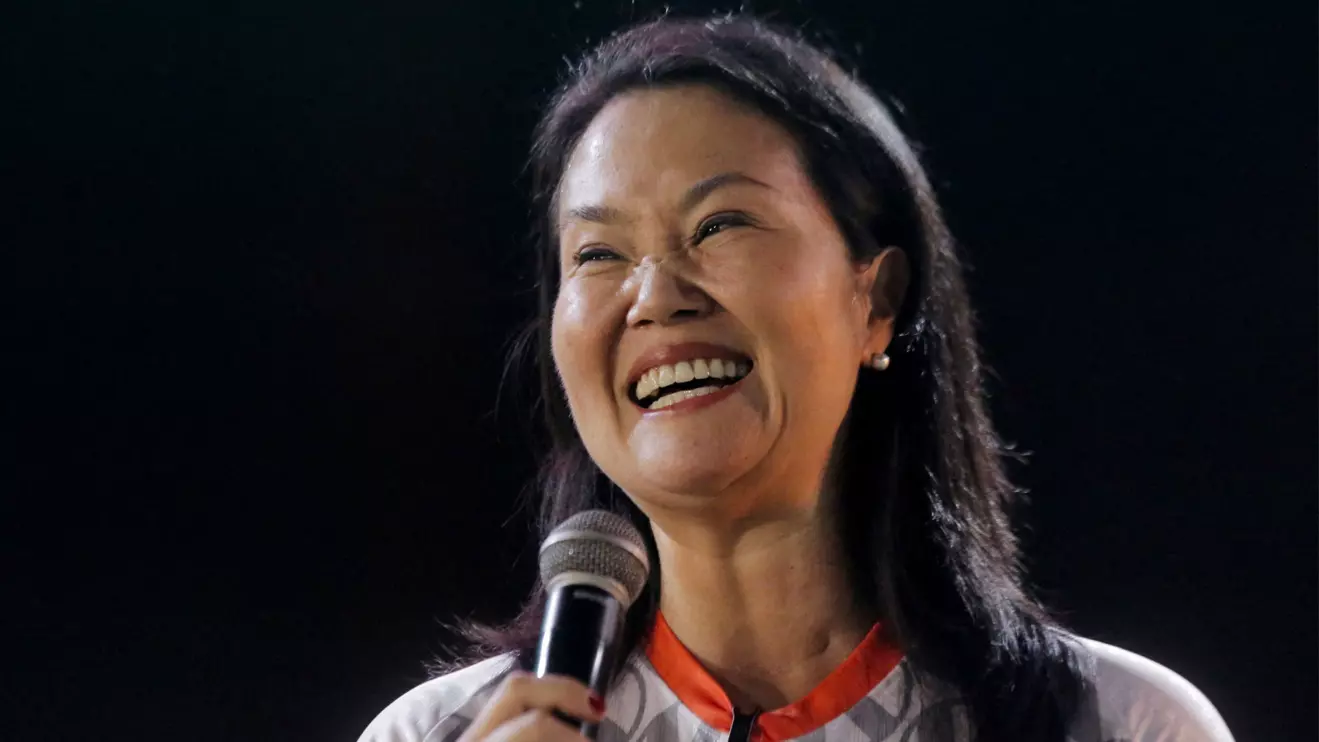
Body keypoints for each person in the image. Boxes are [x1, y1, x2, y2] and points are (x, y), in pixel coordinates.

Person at [358, 14, 1234, 742]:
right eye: (598, 254)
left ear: (877, 301)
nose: (655, 297)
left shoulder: (1114, 725)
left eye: (720, 223)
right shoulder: (435, 734)